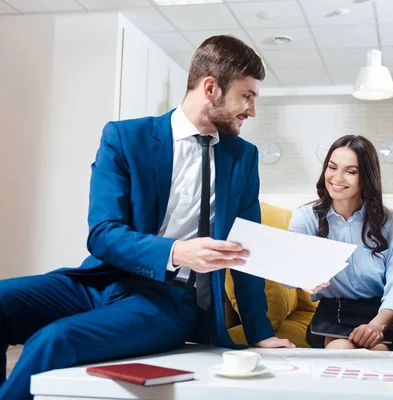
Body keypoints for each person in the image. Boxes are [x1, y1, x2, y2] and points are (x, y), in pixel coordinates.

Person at [0, 35, 293, 400]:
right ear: (211, 88)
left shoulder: (242, 159)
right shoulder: (125, 138)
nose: (251, 110)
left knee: (54, 339)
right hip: (100, 280)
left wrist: (260, 333)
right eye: (246, 96)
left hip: (168, 301)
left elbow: (245, 250)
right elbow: (103, 234)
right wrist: (177, 252)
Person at [288, 135, 393, 351]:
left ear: (366, 178)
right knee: (342, 350)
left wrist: (377, 326)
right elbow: (289, 271)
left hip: (378, 315)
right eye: (332, 168)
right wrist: (305, 278)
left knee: (378, 353)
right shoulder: (306, 217)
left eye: (350, 172)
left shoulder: (391, 222)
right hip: (333, 312)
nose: (337, 178)